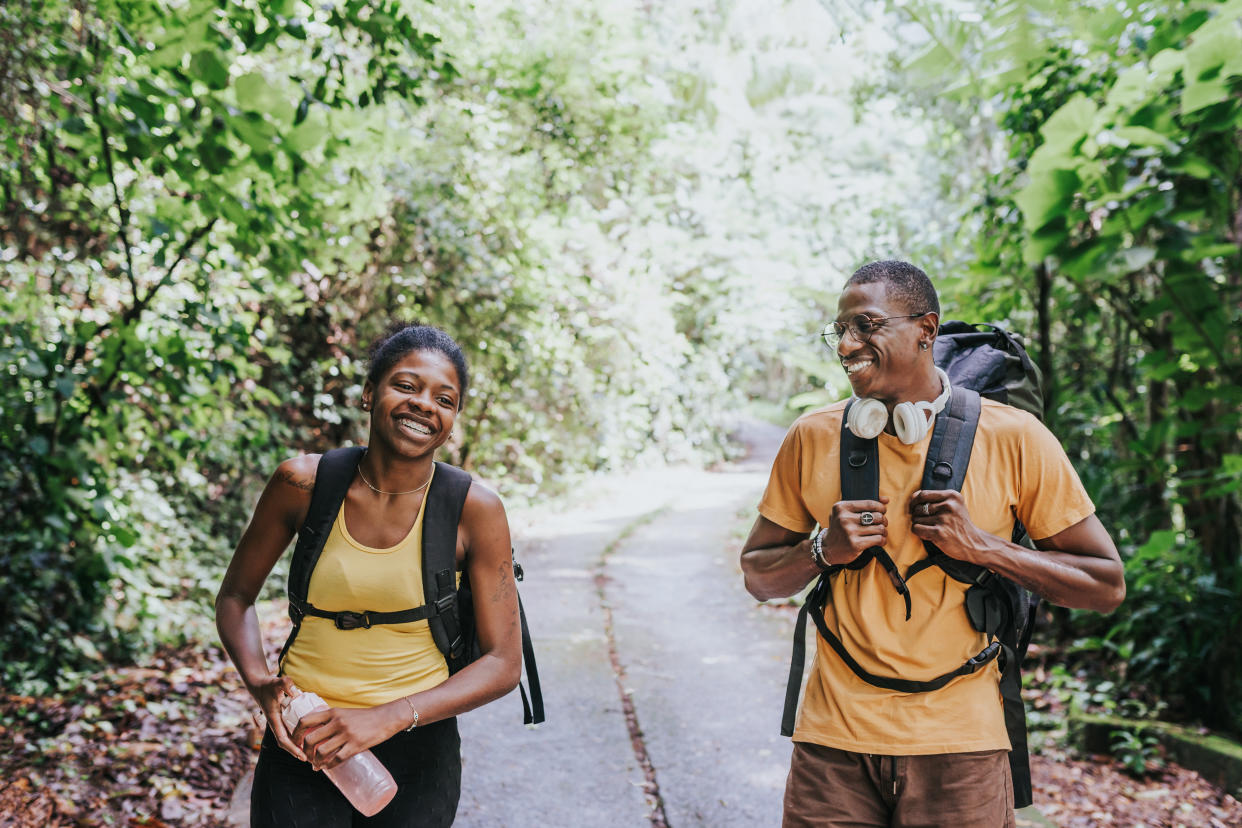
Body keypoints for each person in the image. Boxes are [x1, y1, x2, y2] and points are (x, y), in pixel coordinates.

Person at [740, 261, 1125, 828]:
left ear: (926, 329)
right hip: (832, 743)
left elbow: (1105, 585)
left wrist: (984, 547)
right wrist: (822, 550)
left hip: (962, 746)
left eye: (866, 325)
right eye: (840, 330)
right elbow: (758, 575)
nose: (847, 344)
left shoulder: (1016, 437)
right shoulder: (812, 436)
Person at [216, 323, 522, 827]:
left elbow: (503, 662)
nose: (425, 404)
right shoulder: (302, 483)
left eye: (444, 398)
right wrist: (260, 684)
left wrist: (390, 715)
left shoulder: (475, 509)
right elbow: (235, 598)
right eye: (406, 385)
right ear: (368, 394)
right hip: (304, 736)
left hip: (420, 747)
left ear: (453, 418)